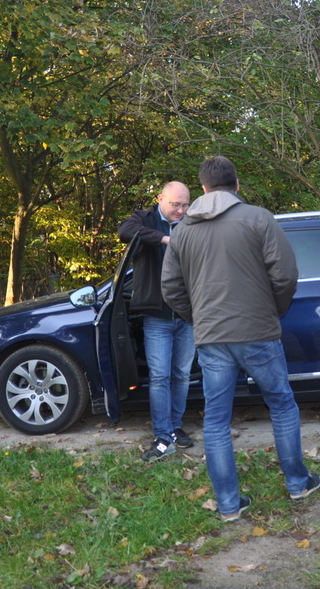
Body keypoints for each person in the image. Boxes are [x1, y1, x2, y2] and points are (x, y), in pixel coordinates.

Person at [161, 156, 320, 521]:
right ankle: (298, 483)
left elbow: (170, 288)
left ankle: (229, 505)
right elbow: (285, 275)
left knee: (216, 420)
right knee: (281, 405)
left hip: (212, 337)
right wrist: (274, 310)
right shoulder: (258, 218)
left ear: (203, 189)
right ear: (236, 186)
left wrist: (198, 318)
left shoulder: (182, 231)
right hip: (258, 331)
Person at [118, 181, 196, 462]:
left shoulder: (193, 223)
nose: (181, 210)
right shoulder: (144, 219)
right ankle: (163, 434)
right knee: (160, 377)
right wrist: (165, 239)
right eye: (175, 204)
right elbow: (125, 232)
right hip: (157, 316)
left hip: (188, 315)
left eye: (185, 205)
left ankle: (175, 426)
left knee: (182, 375)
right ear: (161, 198)